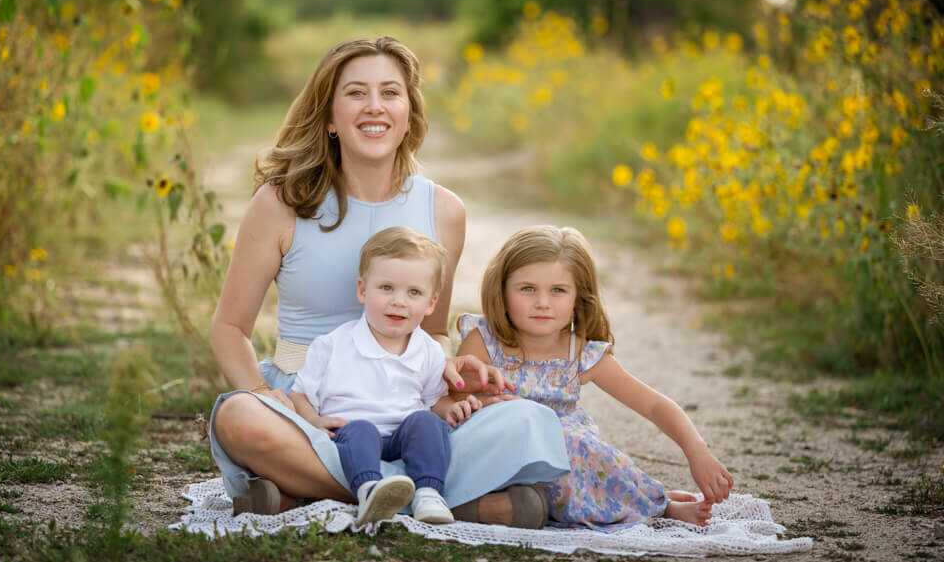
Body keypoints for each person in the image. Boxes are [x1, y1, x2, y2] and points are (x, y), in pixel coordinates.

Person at [207, 36, 568, 526]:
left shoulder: (444, 210)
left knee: (527, 417)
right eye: (356, 93)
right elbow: (230, 327)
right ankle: (441, 497)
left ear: (409, 114)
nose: (374, 106)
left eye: (390, 93)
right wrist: (260, 390)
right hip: (312, 408)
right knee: (238, 417)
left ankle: (319, 492)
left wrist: (449, 371)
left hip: (406, 406)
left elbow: (433, 331)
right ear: (330, 117)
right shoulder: (281, 203)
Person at [456, 225, 734, 531]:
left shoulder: (580, 353)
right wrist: (482, 406)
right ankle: (650, 504)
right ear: (502, 290)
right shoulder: (483, 342)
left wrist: (698, 453)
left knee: (577, 447)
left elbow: (653, 405)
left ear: (578, 297)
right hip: (500, 454)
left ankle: (653, 504)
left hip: (559, 464)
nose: (543, 302)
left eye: (558, 290)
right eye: (527, 289)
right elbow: (449, 405)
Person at [291, 226, 479, 525]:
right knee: (361, 429)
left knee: (427, 423)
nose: (399, 301)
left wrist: (451, 410)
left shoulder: (428, 351)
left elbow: (433, 401)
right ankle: (370, 491)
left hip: (402, 437)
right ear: (362, 290)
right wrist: (313, 421)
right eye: (387, 288)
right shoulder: (333, 345)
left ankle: (428, 493)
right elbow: (299, 393)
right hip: (352, 436)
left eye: (414, 292)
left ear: (431, 303)